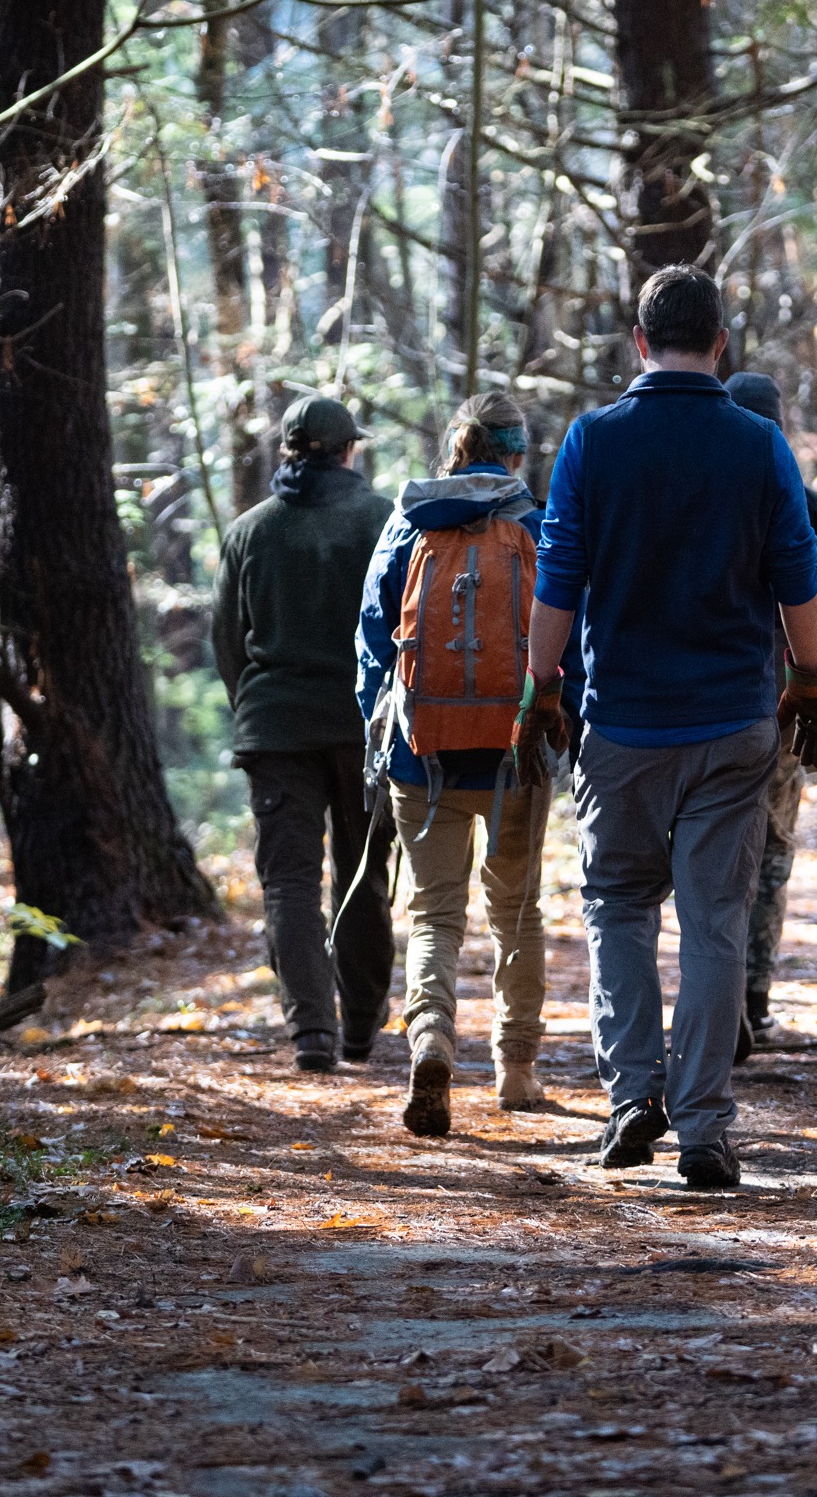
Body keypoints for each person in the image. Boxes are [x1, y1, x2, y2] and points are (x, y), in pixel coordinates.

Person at [515, 267, 817, 1190]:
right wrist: (809, 681)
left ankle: (631, 1100)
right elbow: (797, 575)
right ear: (723, 343)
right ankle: (703, 1126)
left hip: (619, 723)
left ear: (639, 341)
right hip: (733, 720)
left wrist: (542, 686)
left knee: (618, 903)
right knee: (713, 922)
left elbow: (559, 578)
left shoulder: (592, 441)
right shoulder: (758, 444)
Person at [355, 393, 554, 1136]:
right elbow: (569, 625)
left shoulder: (412, 518)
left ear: (456, 445)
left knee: (435, 911)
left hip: (422, 750)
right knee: (516, 909)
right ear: (515, 454)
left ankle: (432, 1036)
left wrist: (379, 730)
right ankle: (517, 1069)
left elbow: (375, 635)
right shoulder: (534, 522)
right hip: (514, 749)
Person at [212, 395, 398, 1074]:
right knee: (363, 873)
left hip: (276, 729)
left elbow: (227, 642)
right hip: (362, 727)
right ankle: (359, 1026)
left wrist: (257, 708)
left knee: (289, 882)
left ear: (289, 452)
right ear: (349, 450)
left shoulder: (250, 531)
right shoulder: (382, 520)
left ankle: (311, 1032)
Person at [722, 372, 817, 1060]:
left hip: (709, 701)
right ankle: (751, 996)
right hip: (788, 704)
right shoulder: (811, 510)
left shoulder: (701, 498)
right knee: (773, 850)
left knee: (714, 848)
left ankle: (716, 995)